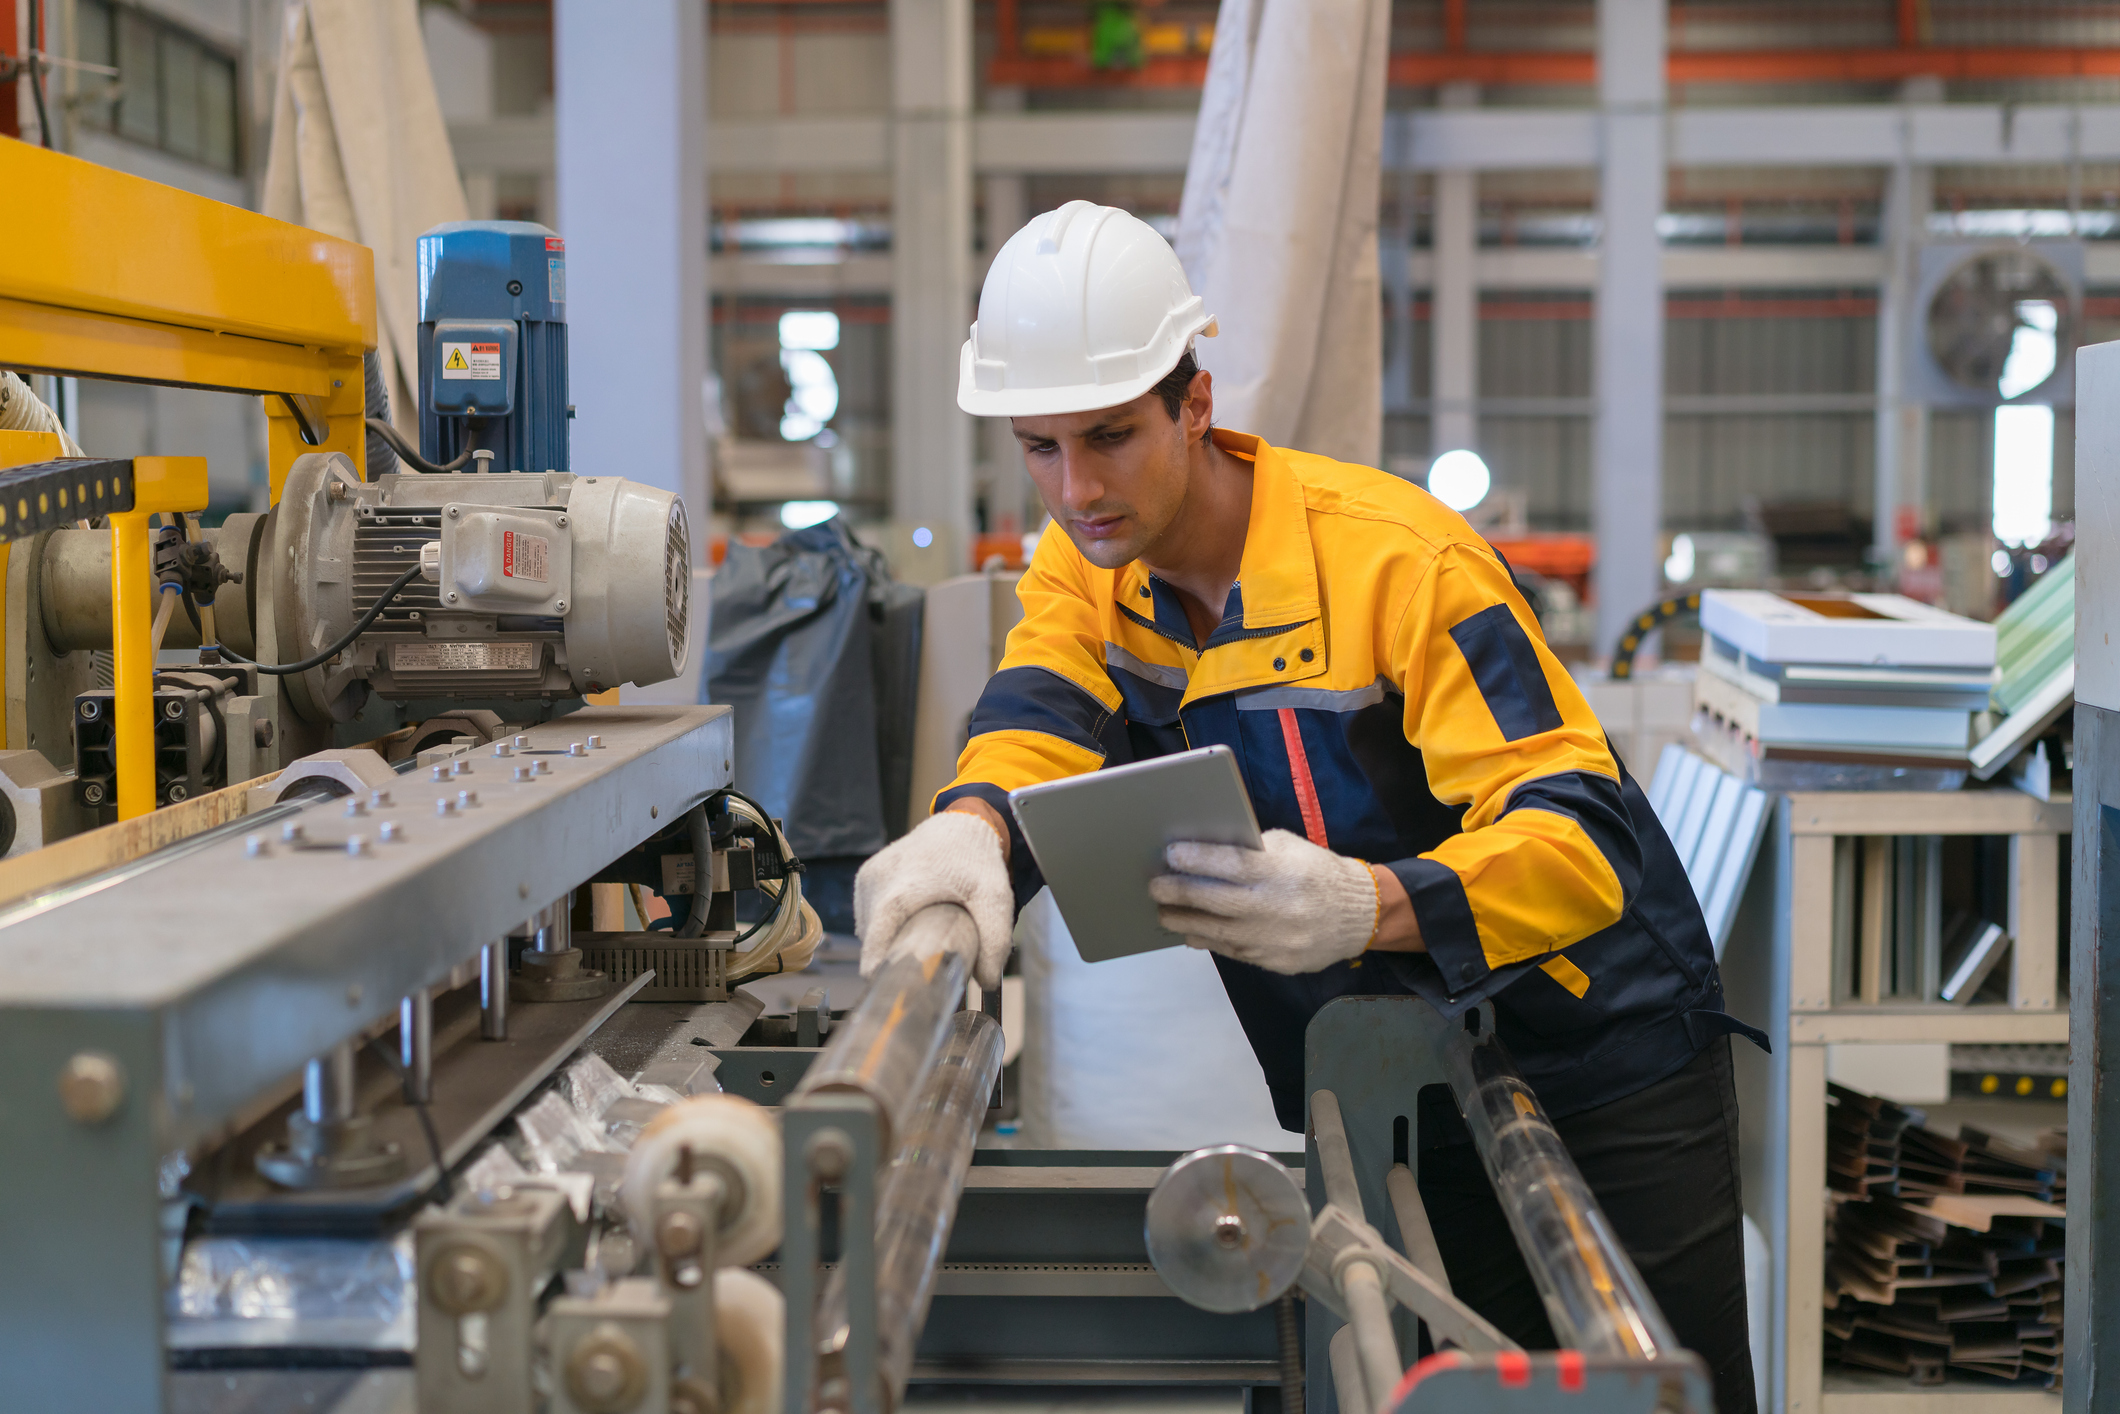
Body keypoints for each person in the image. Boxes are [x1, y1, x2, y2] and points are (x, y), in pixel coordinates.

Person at [854, 200, 1762, 1412]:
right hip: (1392, 1063)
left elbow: (1580, 838)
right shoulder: (1088, 563)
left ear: (1194, 402)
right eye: (1040, 447)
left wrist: (1367, 904)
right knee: (1453, 1382)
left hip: (1600, 1052)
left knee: (1653, 1387)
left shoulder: (1399, 562)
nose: (1076, 489)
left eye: (1111, 436)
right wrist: (970, 827)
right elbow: (1039, 710)